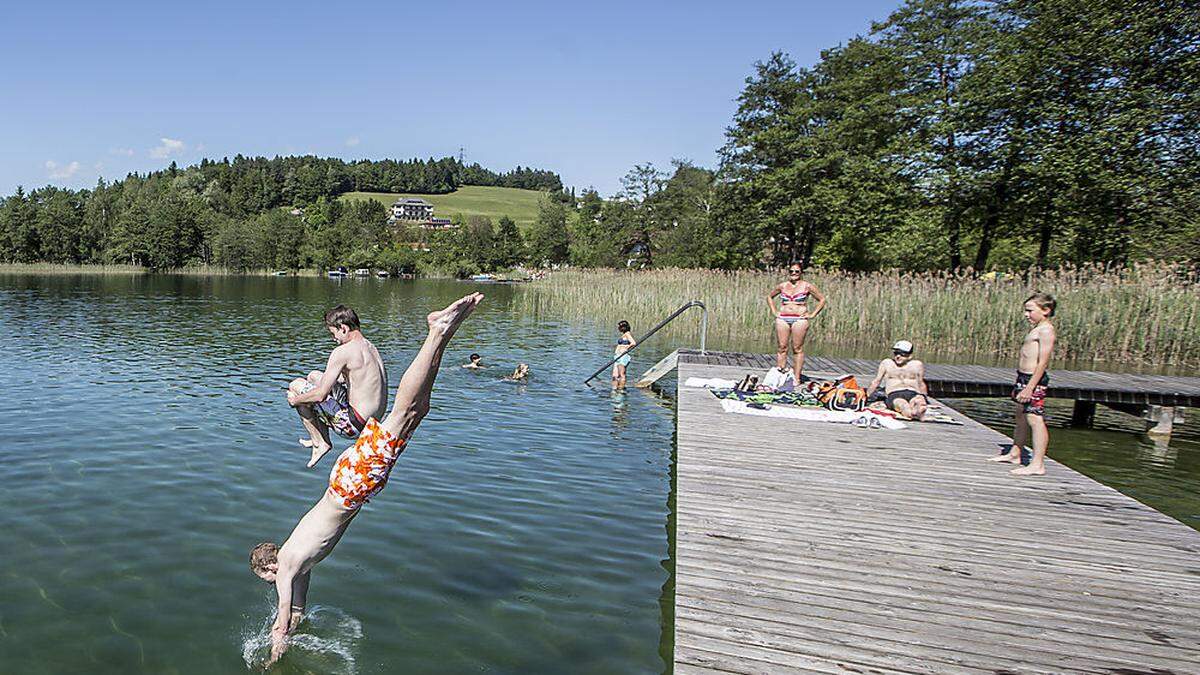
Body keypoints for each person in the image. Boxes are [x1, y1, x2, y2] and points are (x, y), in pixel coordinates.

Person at [250, 293, 483, 666]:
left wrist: (274, 657)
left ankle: (436, 331)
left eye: (268, 579)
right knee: (417, 411)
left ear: (270, 568)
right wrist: (293, 626)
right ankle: (444, 333)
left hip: (351, 484)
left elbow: (281, 619)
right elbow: (295, 612)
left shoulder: (289, 564)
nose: (273, 584)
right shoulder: (300, 567)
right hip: (352, 485)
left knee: (405, 412)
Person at [287, 306, 388, 468]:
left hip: (353, 425)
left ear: (343, 328)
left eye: (333, 333)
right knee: (314, 376)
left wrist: (295, 401)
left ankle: (320, 442)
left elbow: (320, 395)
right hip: (372, 423)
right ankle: (318, 436)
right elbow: (350, 378)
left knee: (296, 386)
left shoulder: (342, 351)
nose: (333, 338)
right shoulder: (370, 347)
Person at [989, 292, 1057, 476]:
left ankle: (1037, 463)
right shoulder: (1037, 328)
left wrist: (1030, 387)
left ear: (1046, 310)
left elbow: (1043, 362)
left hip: (1033, 381)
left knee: (1035, 419)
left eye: (1030, 310)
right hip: (1023, 377)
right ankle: (1015, 453)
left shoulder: (1046, 330)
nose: (1026, 314)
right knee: (1020, 415)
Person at [766, 263, 826, 382]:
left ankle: (796, 378)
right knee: (782, 347)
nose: (794, 273)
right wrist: (774, 311)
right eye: (791, 271)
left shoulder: (807, 286)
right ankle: (780, 376)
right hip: (783, 318)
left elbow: (822, 299)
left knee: (797, 348)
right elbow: (769, 296)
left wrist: (812, 314)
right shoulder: (782, 286)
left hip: (799, 319)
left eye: (796, 271)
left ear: (801, 273)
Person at [865, 340, 929, 421]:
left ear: (910, 356)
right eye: (896, 353)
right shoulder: (887, 363)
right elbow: (876, 381)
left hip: (912, 392)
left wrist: (924, 397)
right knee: (903, 405)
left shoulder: (917, 365)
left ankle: (918, 409)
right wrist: (866, 396)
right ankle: (912, 413)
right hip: (895, 394)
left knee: (919, 401)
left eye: (902, 354)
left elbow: (921, 383)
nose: (898, 356)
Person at [612, 320, 637, 387]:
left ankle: (621, 390)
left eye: (619, 327)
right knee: (615, 375)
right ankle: (614, 390)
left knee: (622, 374)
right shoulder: (624, 334)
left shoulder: (627, 334)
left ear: (623, 327)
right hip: (618, 356)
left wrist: (626, 349)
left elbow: (633, 343)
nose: (618, 328)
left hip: (623, 356)